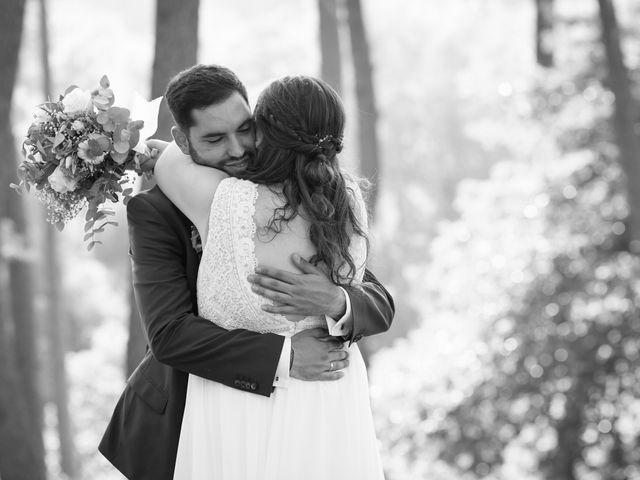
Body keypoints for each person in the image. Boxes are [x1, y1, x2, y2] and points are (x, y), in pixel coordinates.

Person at [98, 64, 394, 480]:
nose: (238, 150)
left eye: (245, 129)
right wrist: (287, 357)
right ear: (183, 140)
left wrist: (335, 301)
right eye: (216, 139)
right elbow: (169, 335)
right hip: (201, 406)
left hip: (316, 404)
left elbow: (378, 301)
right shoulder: (158, 211)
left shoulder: (317, 199)